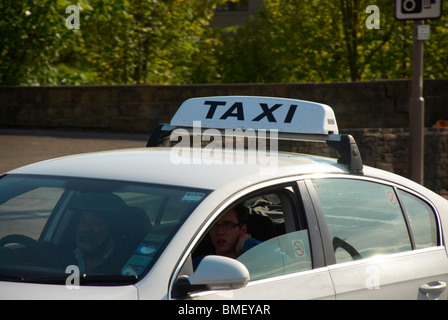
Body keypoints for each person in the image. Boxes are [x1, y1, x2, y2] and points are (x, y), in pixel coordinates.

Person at [69, 192, 127, 274]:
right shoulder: (60, 257)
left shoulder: (125, 263)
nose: (87, 229)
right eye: (83, 222)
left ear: (112, 229)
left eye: (96, 223)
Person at [193, 206, 261, 269]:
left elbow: (270, 259)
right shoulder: (199, 265)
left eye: (227, 225)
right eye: (214, 225)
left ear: (242, 229)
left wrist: (248, 244)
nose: (219, 232)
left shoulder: (257, 263)